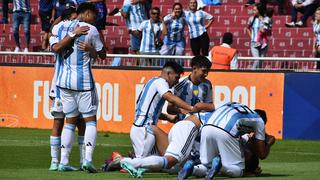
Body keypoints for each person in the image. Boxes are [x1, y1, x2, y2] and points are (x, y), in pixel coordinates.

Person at [50, 2, 106, 173]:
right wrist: (91, 49)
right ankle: (87, 159)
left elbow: (55, 42)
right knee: (90, 121)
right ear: (87, 13)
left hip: (64, 83)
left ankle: (63, 161)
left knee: (69, 122)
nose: (94, 21)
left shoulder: (60, 27)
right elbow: (103, 54)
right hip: (83, 83)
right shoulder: (90, 29)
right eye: (94, 16)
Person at [126, 61, 204, 160]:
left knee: (160, 161)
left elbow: (150, 111)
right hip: (144, 129)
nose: (177, 82)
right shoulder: (161, 82)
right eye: (176, 78)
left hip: (142, 128)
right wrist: (191, 108)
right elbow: (170, 97)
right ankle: (119, 160)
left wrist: (169, 117)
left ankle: (127, 159)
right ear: (168, 74)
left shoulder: (152, 82)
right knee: (141, 164)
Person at [179, 102, 275, 179]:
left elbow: (203, 105)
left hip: (206, 127)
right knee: (238, 170)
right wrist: (269, 144)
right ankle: (220, 166)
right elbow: (262, 154)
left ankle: (192, 168)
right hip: (226, 130)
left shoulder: (235, 105)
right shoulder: (259, 121)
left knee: (206, 165)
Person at [48, 6, 86, 171]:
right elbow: (56, 48)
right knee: (59, 122)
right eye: (75, 15)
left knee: (81, 122)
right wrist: (73, 34)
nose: (78, 19)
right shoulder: (58, 31)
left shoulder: (78, 30)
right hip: (60, 84)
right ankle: (55, 161)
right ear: (70, 17)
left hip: (75, 82)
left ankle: (84, 160)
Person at [246, 3, 267, 69]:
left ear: (259, 10)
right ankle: (252, 74)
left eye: (255, 10)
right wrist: (252, 37)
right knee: (256, 60)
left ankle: (259, 77)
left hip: (263, 44)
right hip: (254, 43)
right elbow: (247, 28)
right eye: (253, 10)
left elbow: (268, 32)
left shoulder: (265, 19)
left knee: (261, 62)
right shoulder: (251, 19)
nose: (253, 11)